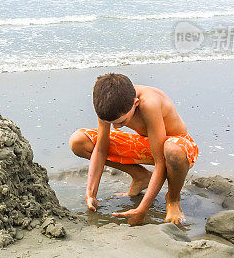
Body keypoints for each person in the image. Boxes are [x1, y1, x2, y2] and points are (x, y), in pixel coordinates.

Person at [68, 73, 199, 225]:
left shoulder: (149, 103)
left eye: (122, 122)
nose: (116, 127)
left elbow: (160, 162)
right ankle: (141, 176)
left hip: (177, 148)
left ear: (135, 103)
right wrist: (90, 193)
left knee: (172, 151)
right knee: (78, 141)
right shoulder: (106, 102)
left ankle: (173, 199)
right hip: (148, 144)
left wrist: (141, 209)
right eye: (112, 123)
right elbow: (101, 149)